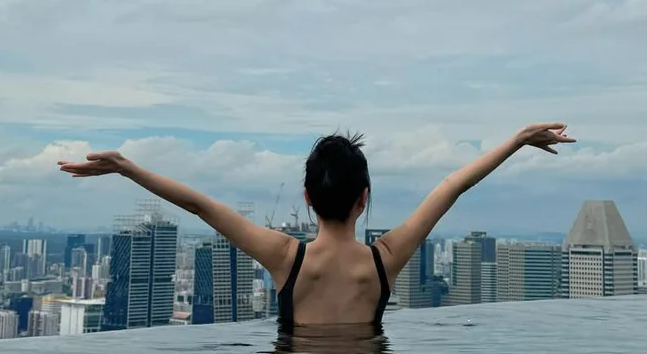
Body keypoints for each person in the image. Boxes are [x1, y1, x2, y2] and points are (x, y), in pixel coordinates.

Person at [58, 123, 574, 333]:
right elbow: (452, 186)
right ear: (364, 199)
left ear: (306, 198)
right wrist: (517, 141)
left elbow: (200, 205)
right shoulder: (384, 259)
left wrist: (127, 168)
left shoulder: (287, 258)